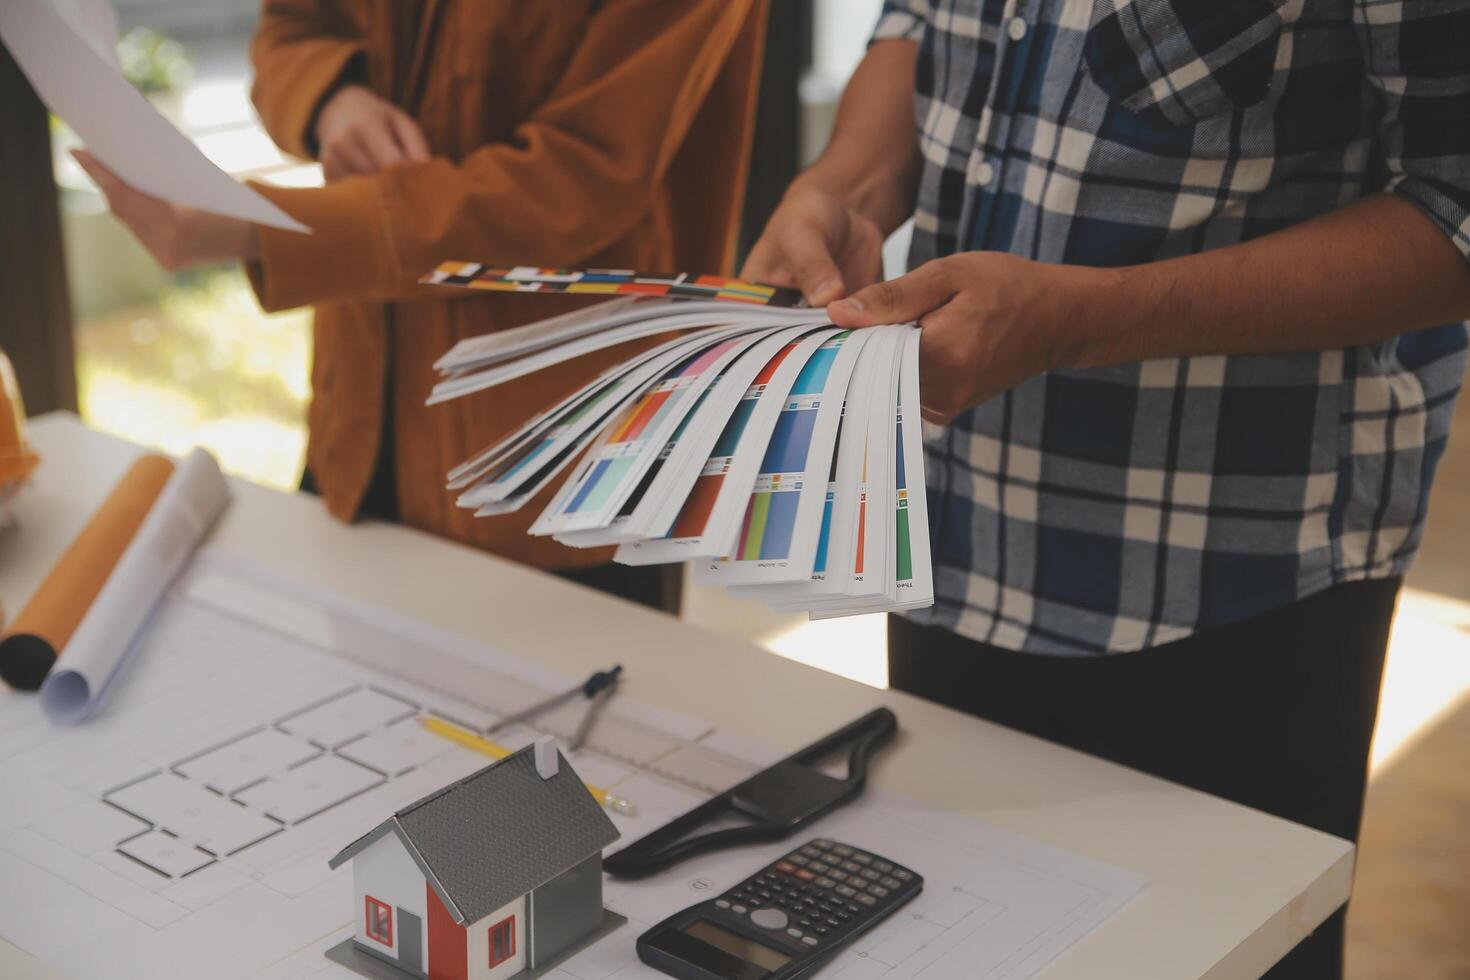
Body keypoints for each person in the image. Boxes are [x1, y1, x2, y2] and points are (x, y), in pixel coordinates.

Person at [743, 2, 1470, 976]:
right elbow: (922, 19)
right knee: (958, 945)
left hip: (1237, 567)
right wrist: (845, 187)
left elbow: (1454, 208)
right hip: (954, 520)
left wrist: (1085, 321)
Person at [76, 0, 770, 614]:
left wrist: (260, 228)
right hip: (359, 427)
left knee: (565, 752)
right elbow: (293, 21)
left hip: (560, 465)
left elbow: (576, 182)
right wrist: (332, 100)